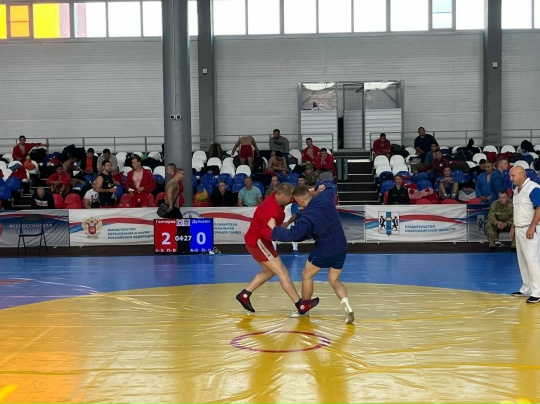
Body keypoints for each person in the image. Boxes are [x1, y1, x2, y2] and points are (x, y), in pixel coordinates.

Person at [268, 184, 354, 323]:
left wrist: (274, 229)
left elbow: (293, 235)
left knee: (306, 275)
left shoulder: (307, 217)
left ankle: (304, 309)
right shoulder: (325, 197)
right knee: (334, 280)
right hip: (341, 245)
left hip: (325, 248)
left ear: (301, 200)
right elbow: (330, 185)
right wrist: (315, 189)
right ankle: (347, 305)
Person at [235, 183, 319, 315]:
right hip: (258, 241)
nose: (293, 200)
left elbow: (296, 195)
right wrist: (280, 233)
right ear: (283, 196)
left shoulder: (278, 196)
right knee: (282, 271)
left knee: (269, 272)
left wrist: (315, 191)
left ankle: (244, 295)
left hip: (260, 240)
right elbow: (265, 232)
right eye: (290, 198)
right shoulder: (271, 210)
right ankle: (300, 305)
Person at [509, 166, 540, 304]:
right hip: (519, 228)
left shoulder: (533, 188)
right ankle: (526, 287)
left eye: (513, 176)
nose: (511, 178)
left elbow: (539, 208)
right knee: (522, 260)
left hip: (530, 228)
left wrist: (532, 227)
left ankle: (537, 291)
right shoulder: (516, 190)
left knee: (532, 260)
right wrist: (513, 226)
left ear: (522, 174)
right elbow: (517, 210)